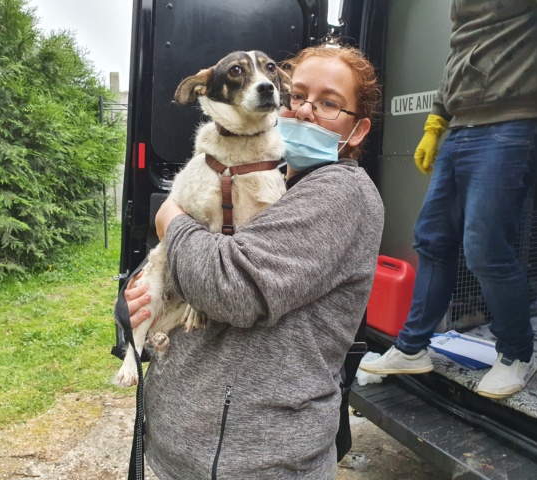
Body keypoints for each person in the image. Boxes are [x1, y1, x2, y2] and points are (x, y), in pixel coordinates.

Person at [124, 43, 384, 479]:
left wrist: (170, 217)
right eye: (297, 94)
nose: (303, 111)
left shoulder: (341, 194)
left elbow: (230, 288)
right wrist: (139, 295)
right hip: (185, 445)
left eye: (329, 104)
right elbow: (189, 260)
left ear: (356, 131)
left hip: (255, 460)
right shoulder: (270, 175)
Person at [360, 1, 537, 399]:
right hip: (462, 127)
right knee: (432, 239)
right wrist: (437, 119)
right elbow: (460, 52)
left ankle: (517, 355)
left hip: (517, 121)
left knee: (485, 247)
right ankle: (412, 347)